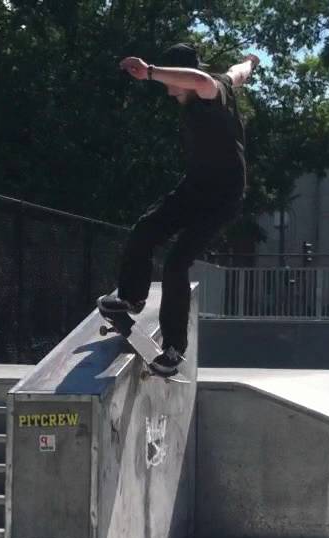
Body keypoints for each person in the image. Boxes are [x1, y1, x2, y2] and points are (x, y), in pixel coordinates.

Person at [99, 44, 260, 376]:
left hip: (223, 199)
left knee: (176, 264)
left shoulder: (209, 89)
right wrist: (249, 62)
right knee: (145, 230)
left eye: (172, 83)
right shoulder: (227, 81)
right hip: (194, 187)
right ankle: (131, 297)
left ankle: (174, 348)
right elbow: (239, 73)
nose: (170, 91)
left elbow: (199, 80)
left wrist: (151, 72)